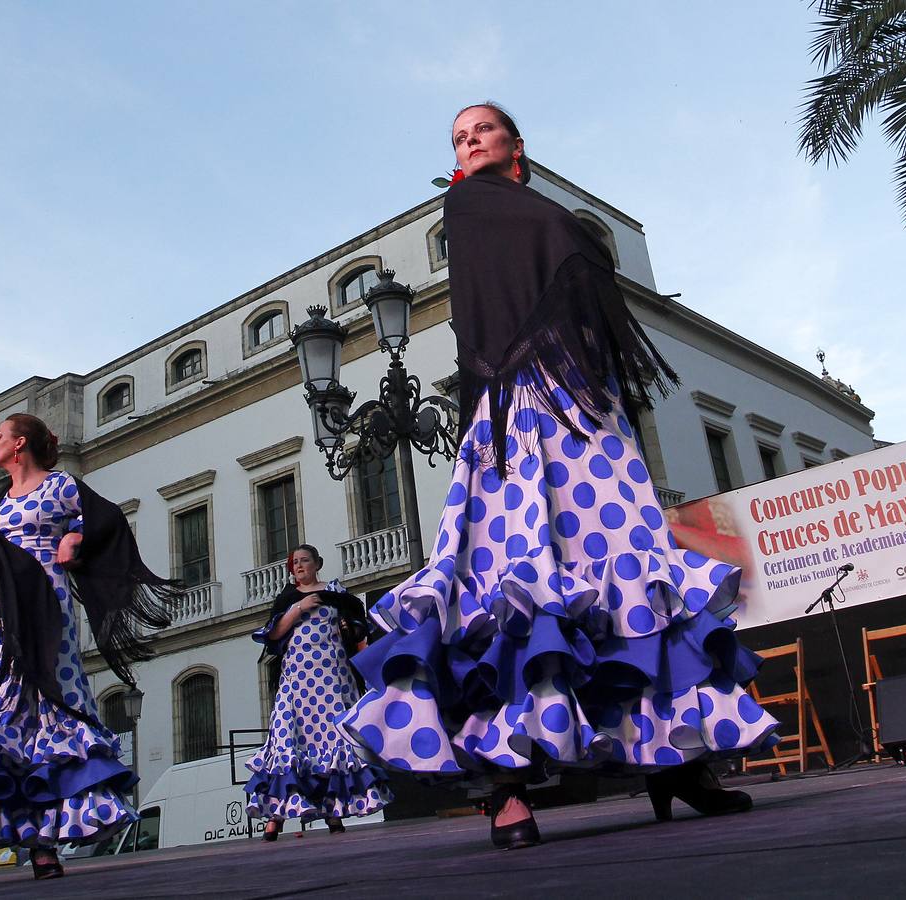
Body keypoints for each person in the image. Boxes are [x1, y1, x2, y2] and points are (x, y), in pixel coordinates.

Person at [341, 103, 779, 850]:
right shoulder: (470, 204)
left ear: (517, 144)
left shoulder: (529, 207)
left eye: (482, 130)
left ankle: (678, 760)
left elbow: (573, 262)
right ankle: (506, 787)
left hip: (581, 406)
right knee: (511, 576)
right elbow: (550, 261)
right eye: (458, 137)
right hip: (514, 408)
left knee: (626, 570)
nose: (469, 141)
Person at [0, 412, 178, 886]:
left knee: (45, 714)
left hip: (46, 608)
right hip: (0, 619)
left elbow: (107, 520)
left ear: (20, 444)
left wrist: (76, 536)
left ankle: (42, 843)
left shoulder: (60, 486)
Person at [244, 544, 392, 840]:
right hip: (297, 679)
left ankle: (334, 812)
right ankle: (275, 816)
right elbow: (274, 633)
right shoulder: (288, 598)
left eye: (304, 560)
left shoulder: (336, 593)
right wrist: (300, 607)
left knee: (333, 741)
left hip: (332, 678)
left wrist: (350, 628)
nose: (299, 566)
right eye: (295, 562)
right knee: (288, 738)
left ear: (317, 563)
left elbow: (356, 626)